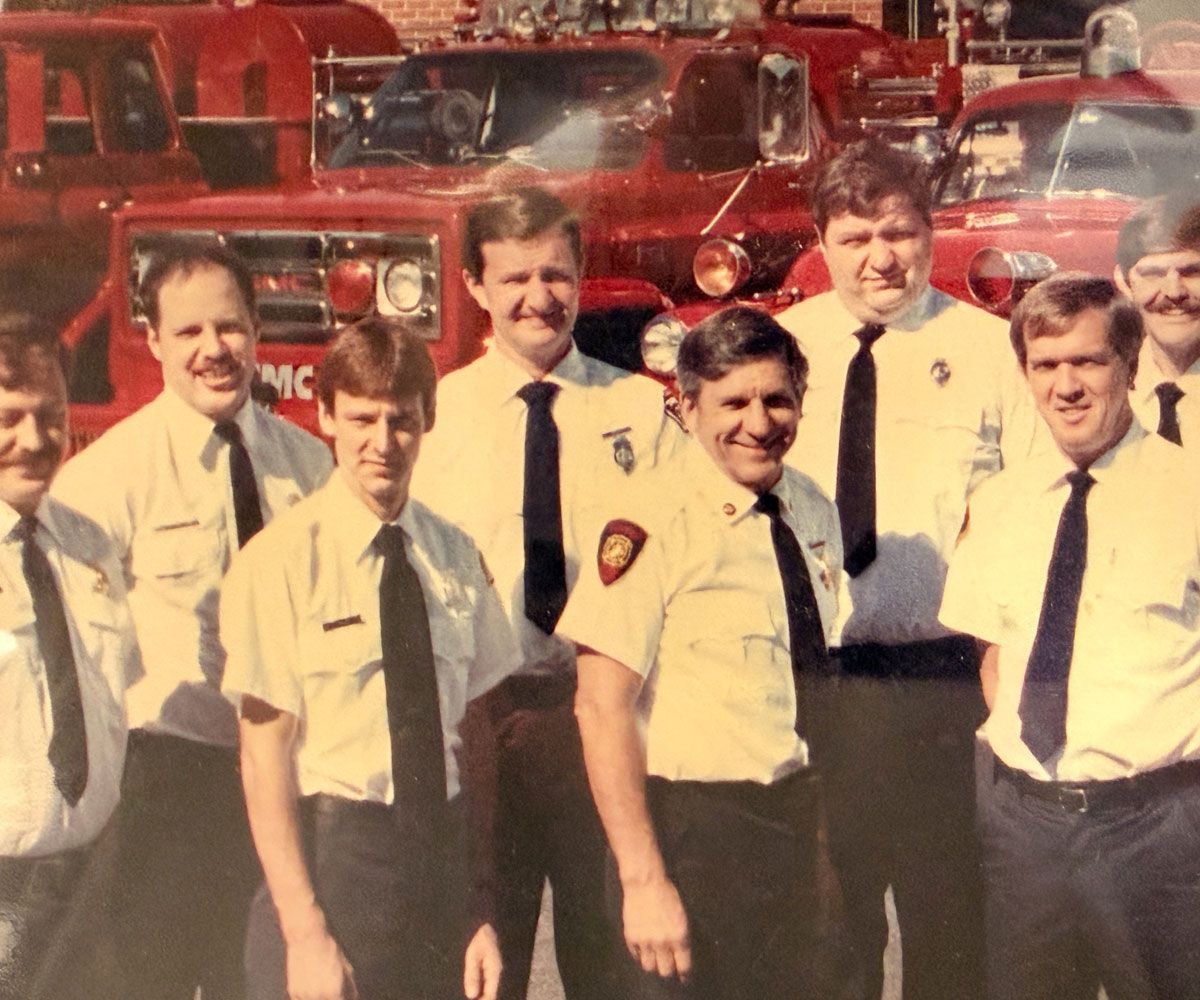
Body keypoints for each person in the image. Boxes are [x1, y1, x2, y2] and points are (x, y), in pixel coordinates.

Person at [772, 138, 1037, 1000]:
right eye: (855, 238)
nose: (880, 258)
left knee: (950, 928)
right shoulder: (782, 351)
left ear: (930, 231)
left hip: (942, 684)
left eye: (899, 232)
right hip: (819, 686)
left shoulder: (993, 352)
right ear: (822, 242)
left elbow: (1028, 517)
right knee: (830, 935)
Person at [410, 186, 681, 1000]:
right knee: (483, 971)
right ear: (474, 286)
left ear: (582, 275)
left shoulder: (640, 408)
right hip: (484, 722)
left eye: (556, 275)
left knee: (618, 967)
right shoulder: (435, 417)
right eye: (515, 278)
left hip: (602, 720)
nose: (539, 297)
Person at [52, 243, 332, 999]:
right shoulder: (108, 476)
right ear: (153, 340)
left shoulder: (310, 467)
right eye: (189, 332)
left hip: (286, 784)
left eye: (230, 326)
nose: (214, 349)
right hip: (168, 789)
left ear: (257, 329)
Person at [221, 319, 515, 1000]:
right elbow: (263, 759)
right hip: (335, 866)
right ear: (325, 417)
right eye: (360, 419)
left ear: (427, 420)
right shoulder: (281, 561)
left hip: (439, 866)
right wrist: (305, 935)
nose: (382, 443)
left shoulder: (454, 555)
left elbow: (474, 736)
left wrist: (479, 907)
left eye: (401, 420)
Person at [558, 306, 840, 1000]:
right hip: (689, 836)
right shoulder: (647, 521)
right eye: (733, 403)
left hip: (794, 827)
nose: (759, 422)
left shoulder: (810, 507)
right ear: (686, 408)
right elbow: (601, 707)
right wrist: (644, 882)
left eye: (777, 400)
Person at [940, 272, 1200, 1000]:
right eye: (1046, 364)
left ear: (1131, 364)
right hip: (1027, 831)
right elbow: (995, 655)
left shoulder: (1189, 493)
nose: (1067, 386)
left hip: (1161, 829)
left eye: (1088, 361)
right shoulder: (998, 502)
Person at [0, 314, 141, 1000]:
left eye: (52, 416)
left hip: (91, 886)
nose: (35, 441)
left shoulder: (91, 545)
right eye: (9, 418)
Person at [1114, 191, 1200, 448]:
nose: (1174, 292)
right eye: (1154, 274)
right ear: (1124, 282)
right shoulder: (1104, 390)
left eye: (1193, 272)